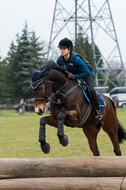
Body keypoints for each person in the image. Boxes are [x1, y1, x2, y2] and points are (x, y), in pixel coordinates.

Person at [57, 37, 103, 120]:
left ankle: (97, 111)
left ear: (69, 49)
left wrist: (74, 76)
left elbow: (87, 73)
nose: (62, 50)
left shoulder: (76, 59)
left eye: (64, 48)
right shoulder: (59, 60)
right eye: (60, 48)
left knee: (91, 90)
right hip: (73, 75)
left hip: (87, 73)